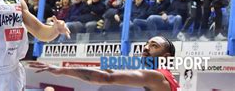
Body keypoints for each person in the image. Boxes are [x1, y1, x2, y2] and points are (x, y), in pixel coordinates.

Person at [29, 36, 179, 91]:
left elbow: (107, 77)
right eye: (146, 43)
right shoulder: (169, 78)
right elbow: (106, 69)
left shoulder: (155, 76)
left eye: (154, 46)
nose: (145, 47)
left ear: (166, 57)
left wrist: (62, 70)